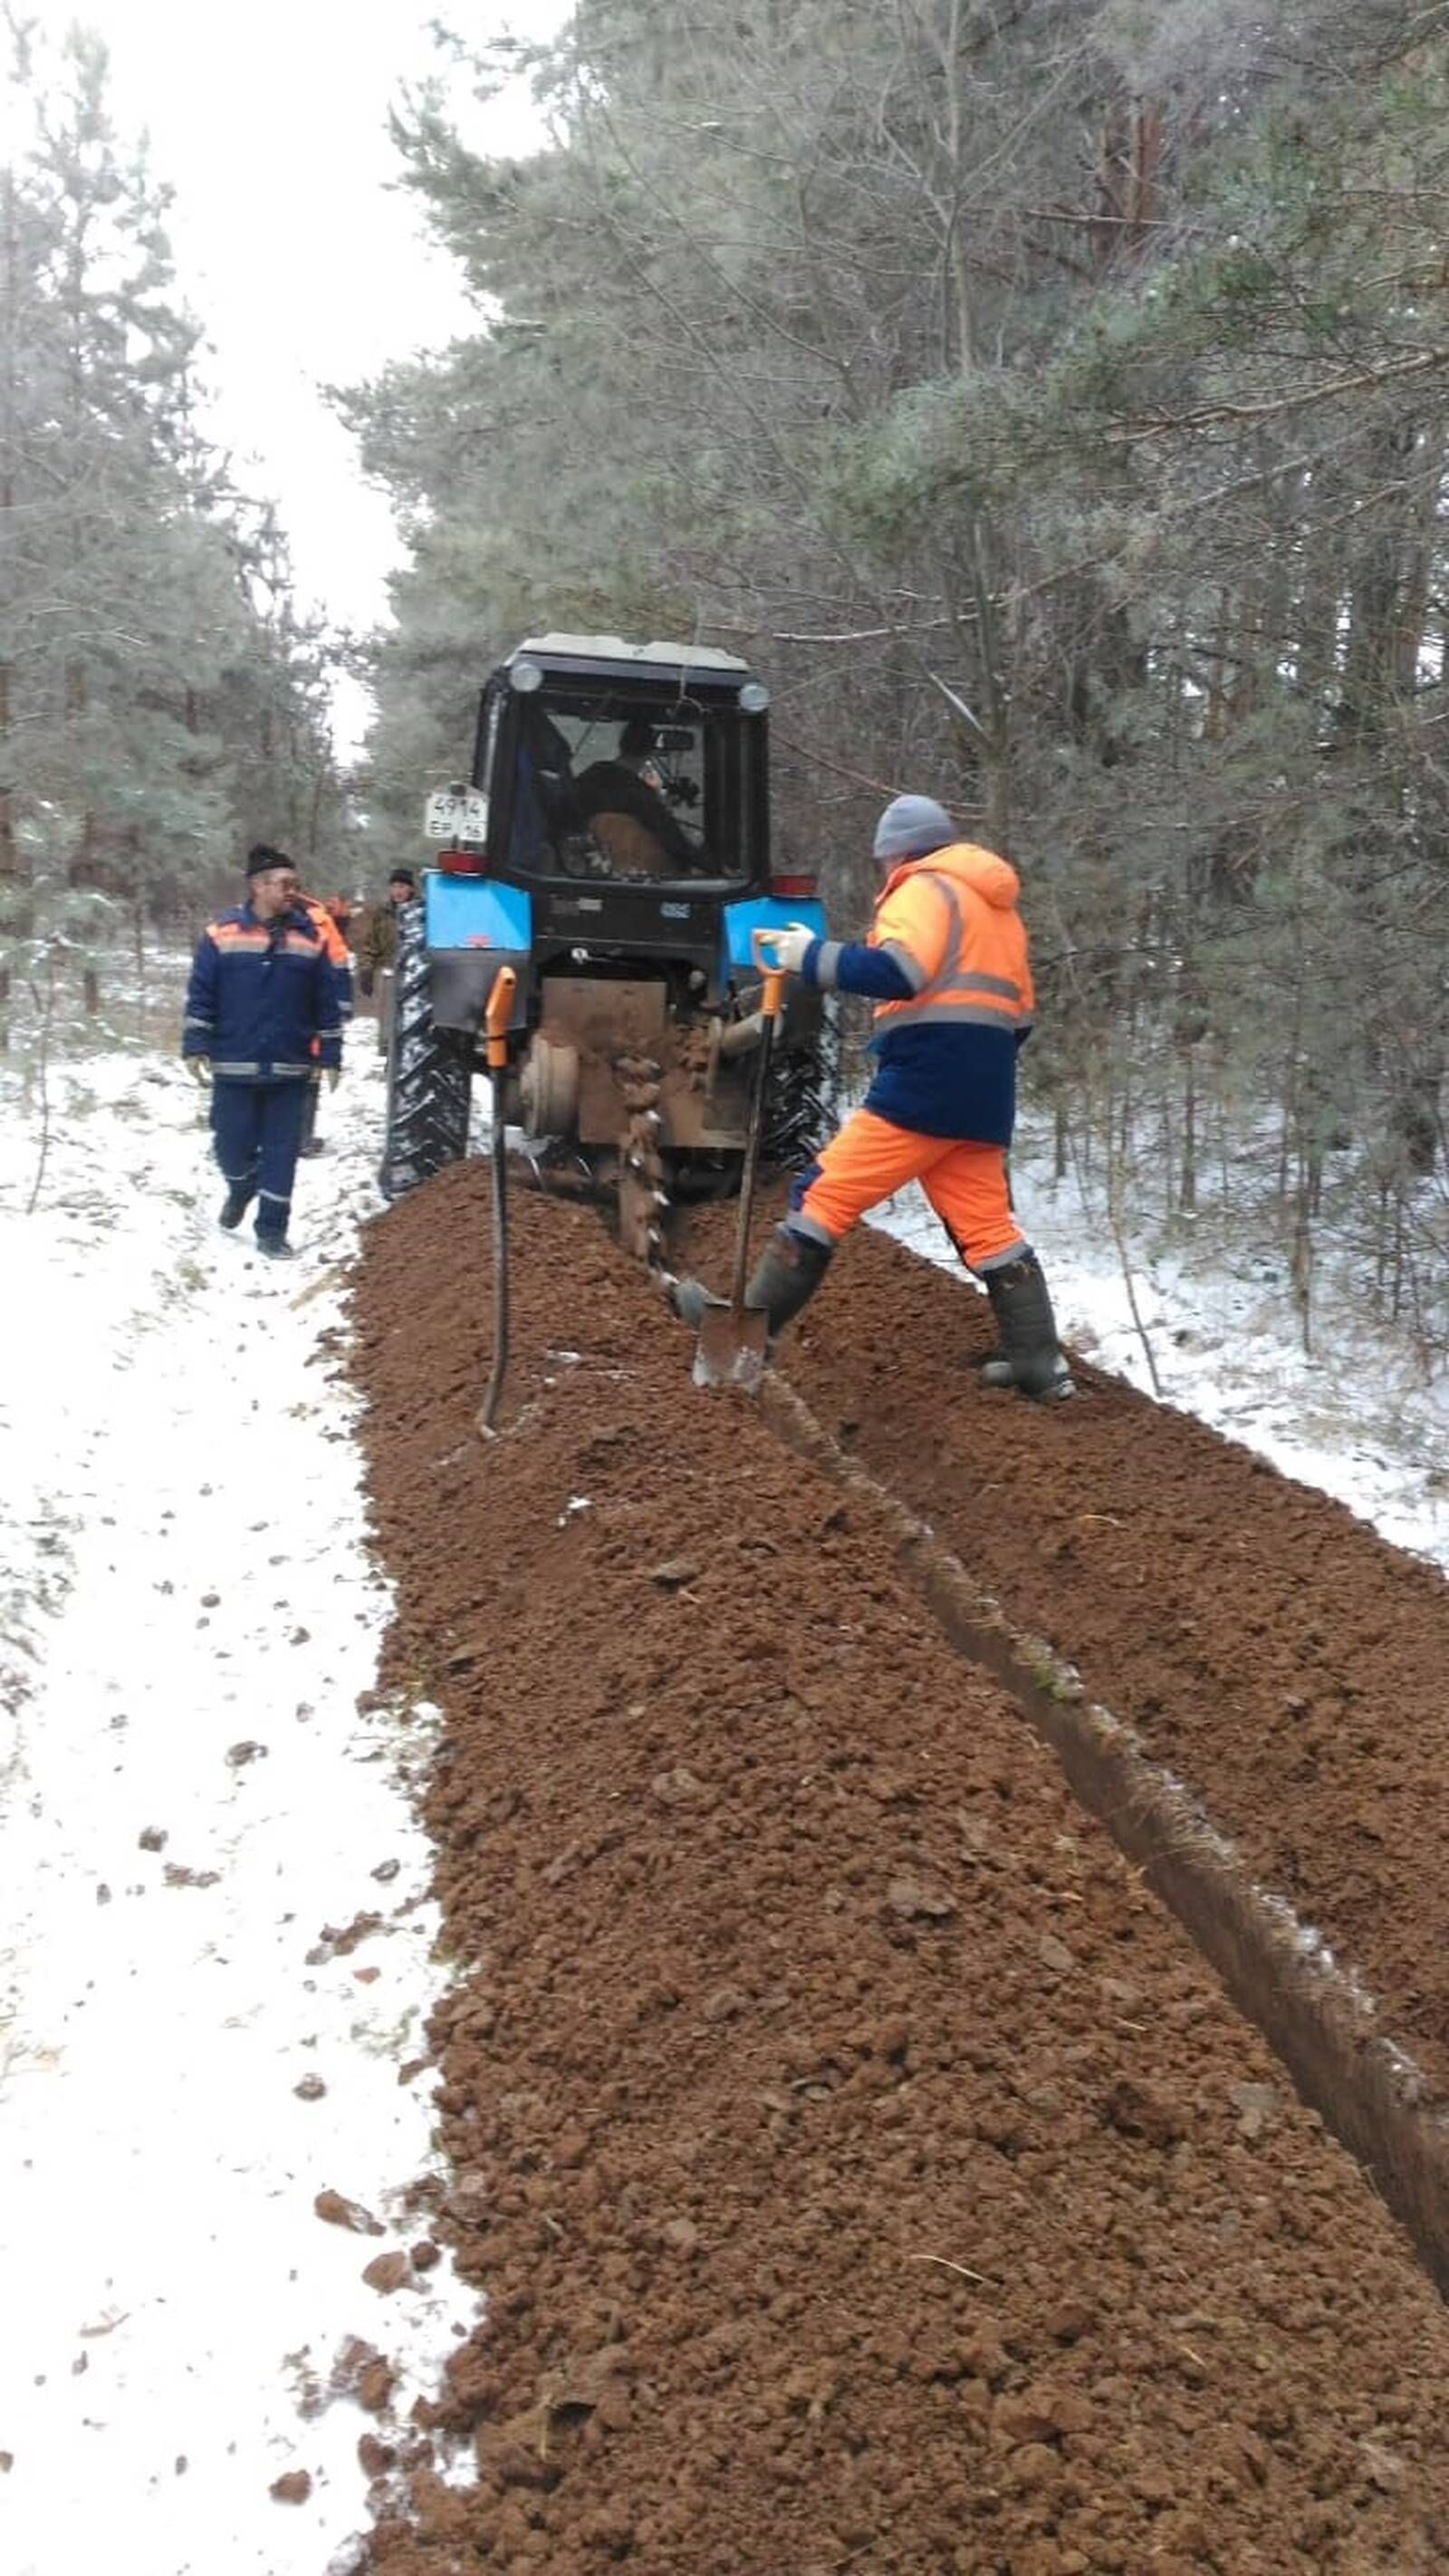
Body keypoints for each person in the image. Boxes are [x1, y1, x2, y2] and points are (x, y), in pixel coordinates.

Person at [674, 794, 1074, 1400]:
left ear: (898, 855)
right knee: (987, 1228)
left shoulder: (923, 889)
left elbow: (899, 973)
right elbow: (1020, 1021)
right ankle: (1040, 1367)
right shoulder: (999, 912)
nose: (886, 874)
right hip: (985, 1089)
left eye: (885, 863)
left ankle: (745, 1334)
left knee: (823, 1195)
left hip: (924, 1080)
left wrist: (804, 957)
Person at [182, 843, 342, 1259]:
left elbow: (327, 999)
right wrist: (196, 1044)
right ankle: (241, 1184)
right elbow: (201, 994)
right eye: (284, 884)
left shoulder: (311, 937)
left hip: (290, 1067)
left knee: (282, 1154)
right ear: (258, 886)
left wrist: (330, 1053)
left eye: (295, 883)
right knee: (229, 1144)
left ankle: (271, 1232)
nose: (293, 891)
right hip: (234, 1062)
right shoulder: (223, 933)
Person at [572, 717, 696, 872]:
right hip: (634, 879)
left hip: (583, 874)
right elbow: (674, 842)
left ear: (621, 745)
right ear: (650, 752)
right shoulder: (640, 795)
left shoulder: (585, 781)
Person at [295, 888, 354, 1158]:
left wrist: (340, 1008)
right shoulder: (321, 920)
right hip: (292, 1007)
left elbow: (338, 963)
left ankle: (300, 1137)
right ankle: (295, 1138)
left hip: (310, 1005)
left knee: (311, 1067)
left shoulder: (320, 919)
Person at [357, 868, 417, 995]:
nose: (397, 891)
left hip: (414, 976)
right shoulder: (383, 913)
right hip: (387, 974)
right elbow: (370, 945)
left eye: (402, 887)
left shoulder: (419, 913)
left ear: (411, 889)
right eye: (394, 887)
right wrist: (366, 969)